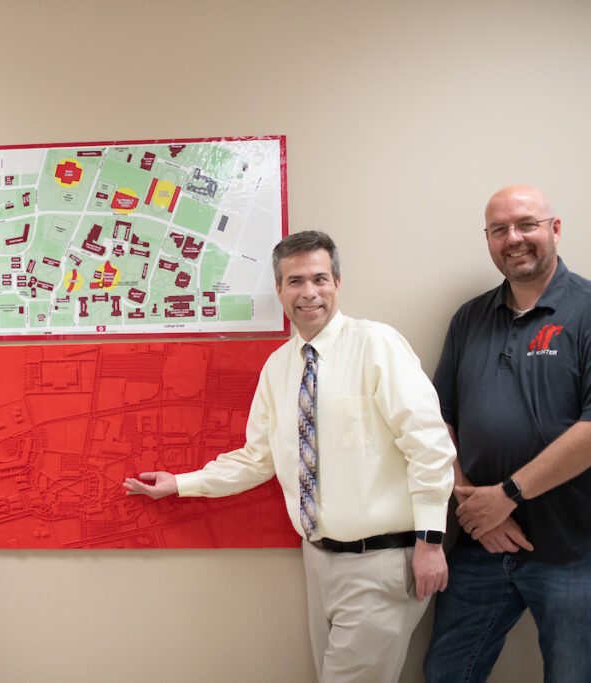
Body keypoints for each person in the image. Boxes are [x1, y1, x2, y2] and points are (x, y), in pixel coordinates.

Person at [124, 230, 455, 682]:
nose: (309, 292)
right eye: (295, 281)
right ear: (279, 290)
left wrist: (431, 542)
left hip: (381, 564)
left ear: (338, 282)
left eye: (320, 278)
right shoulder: (279, 367)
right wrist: (181, 483)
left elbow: (429, 444)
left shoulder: (377, 345)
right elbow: (258, 458)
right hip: (317, 561)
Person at [424, 186, 591, 682]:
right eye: (499, 230)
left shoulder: (586, 310)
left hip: (572, 552)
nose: (512, 238)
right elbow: (438, 421)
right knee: (446, 674)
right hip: (481, 546)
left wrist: (509, 495)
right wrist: (473, 503)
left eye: (525, 224)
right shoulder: (469, 318)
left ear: (555, 229)